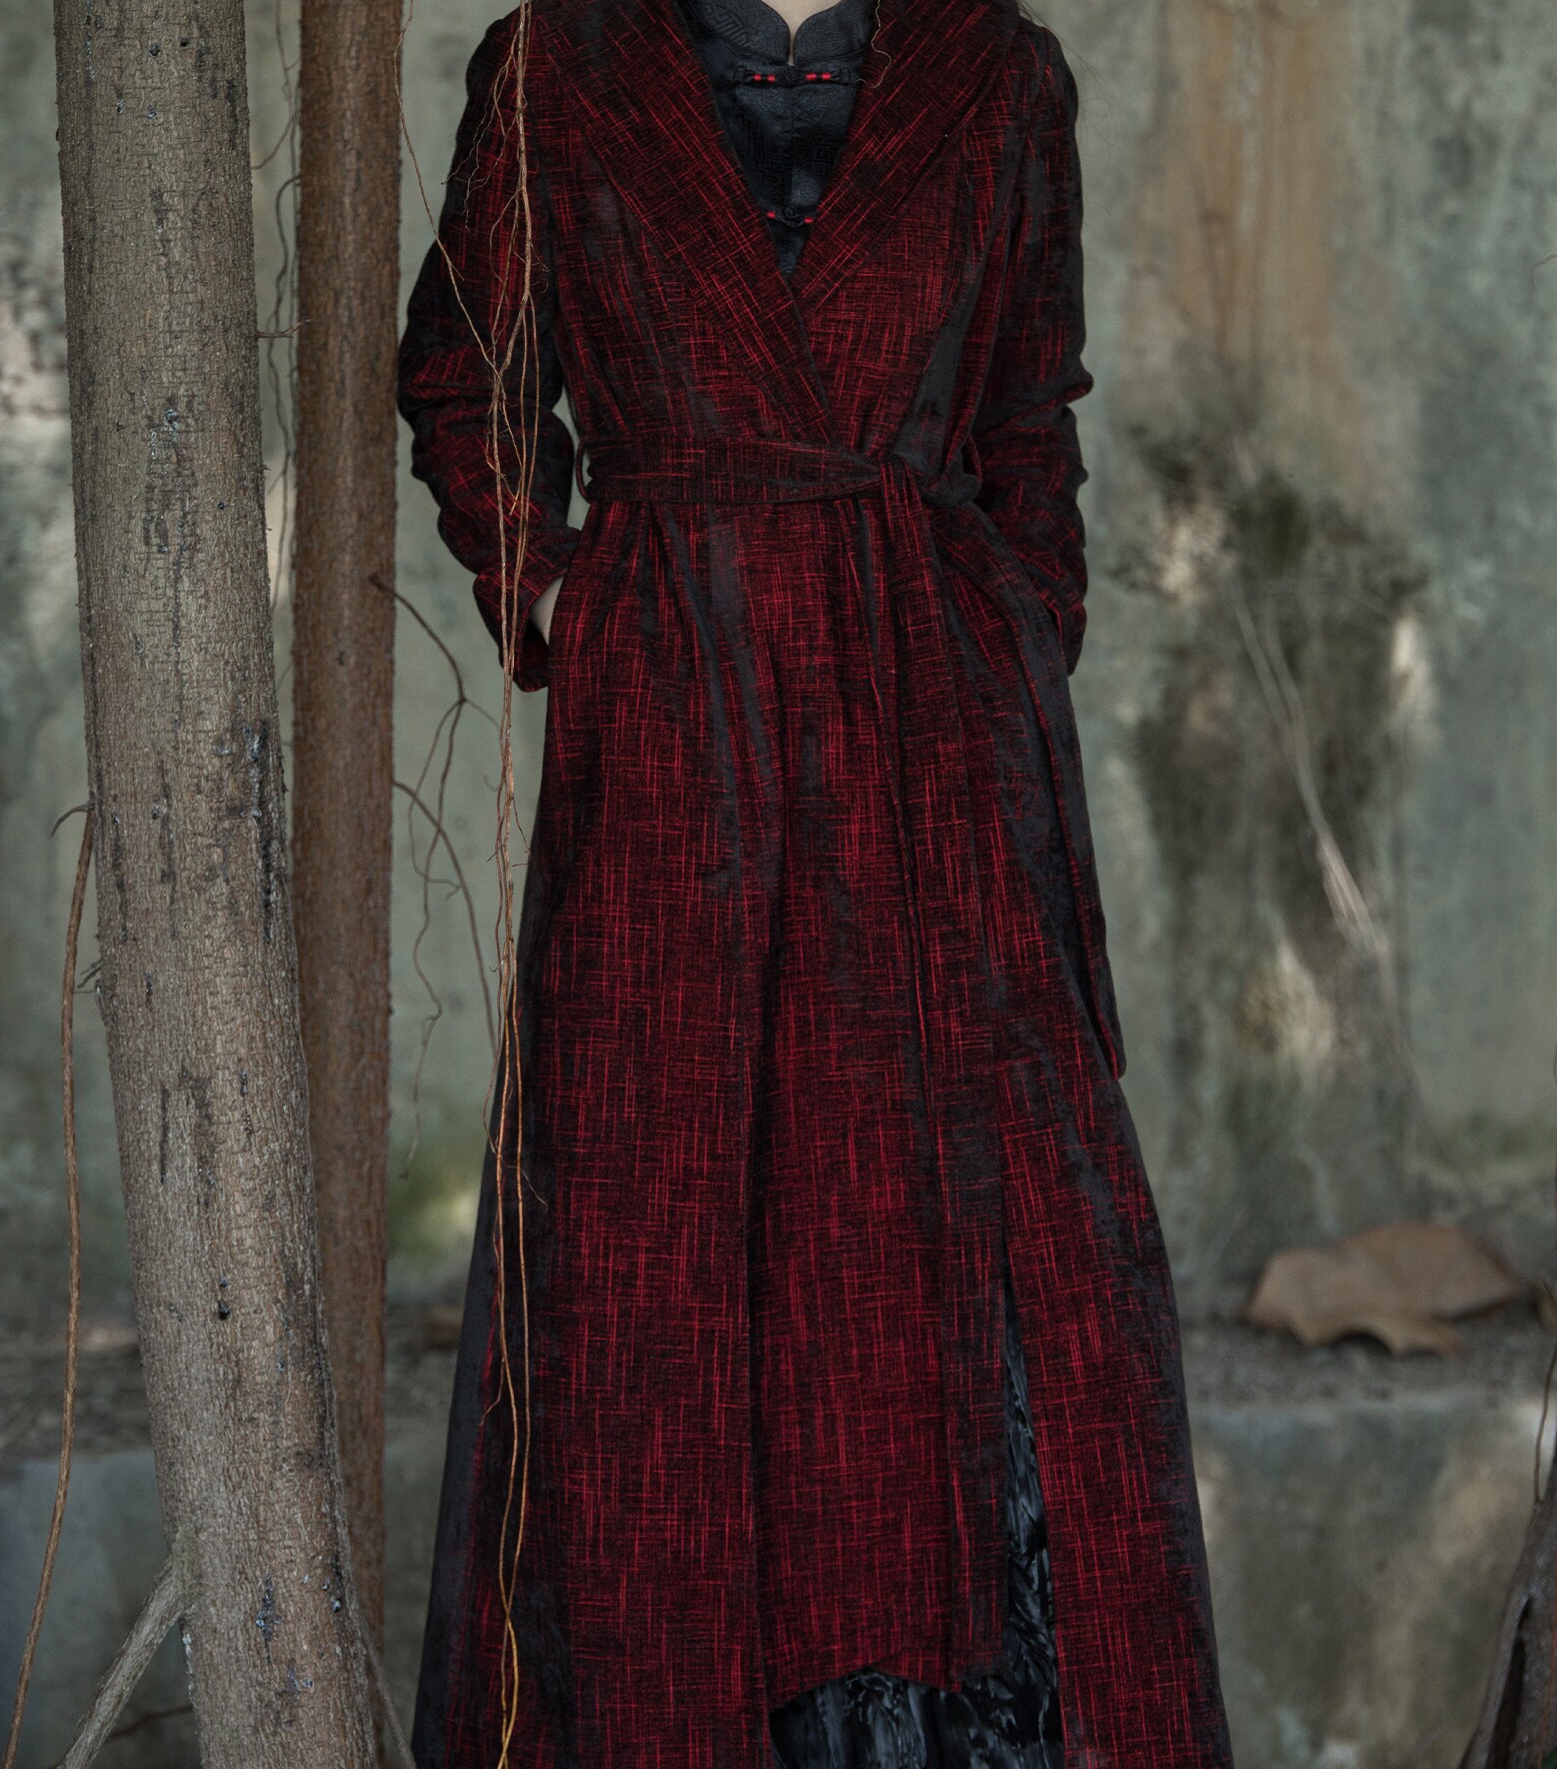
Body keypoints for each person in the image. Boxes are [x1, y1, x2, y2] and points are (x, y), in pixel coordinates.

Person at [396, 0, 1237, 1759]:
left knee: (990, 1222)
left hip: (934, 728)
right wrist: (555, 586)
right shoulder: (558, 65)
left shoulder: (995, 73)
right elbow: (467, 367)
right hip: (675, 720)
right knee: (660, 1222)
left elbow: (1029, 411)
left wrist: (1012, 628)